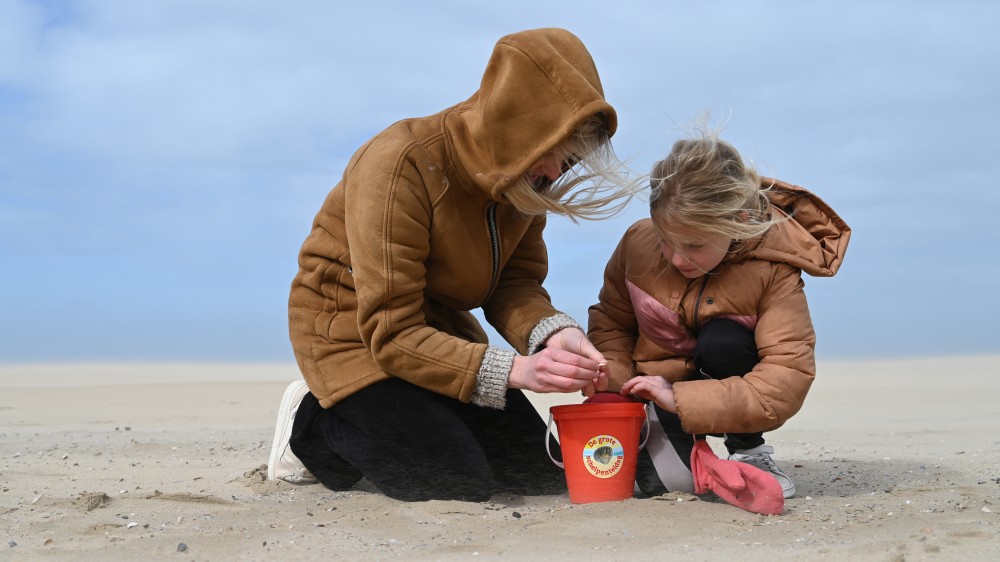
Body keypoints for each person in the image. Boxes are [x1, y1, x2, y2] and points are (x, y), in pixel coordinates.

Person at [267, 28, 637, 502]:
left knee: (539, 475)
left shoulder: (526, 183)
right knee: (452, 481)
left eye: (569, 163)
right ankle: (313, 422)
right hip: (352, 334)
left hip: (440, 332)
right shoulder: (400, 164)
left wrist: (551, 333)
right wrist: (516, 372)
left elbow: (515, 283)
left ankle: (408, 412)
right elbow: (392, 332)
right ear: (519, 124)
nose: (554, 175)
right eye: (556, 154)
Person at [587, 127, 850, 499]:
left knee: (724, 339)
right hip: (652, 391)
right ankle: (672, 442)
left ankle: (748, 449)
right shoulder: (636, 243)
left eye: (694, 245)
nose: (677, 259)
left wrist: (678, 398)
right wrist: (613, 385)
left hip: (709, 392)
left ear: (738, 221)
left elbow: (786, 376)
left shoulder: (773, 270)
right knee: (658, 484)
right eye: (666, 240)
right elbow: (612, 322)